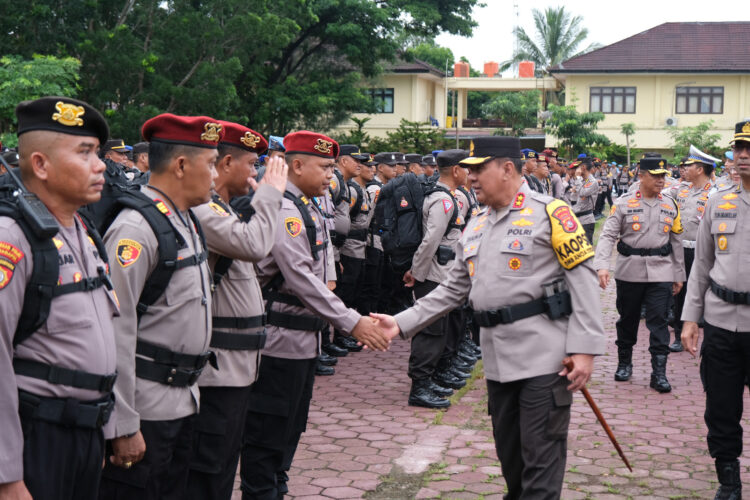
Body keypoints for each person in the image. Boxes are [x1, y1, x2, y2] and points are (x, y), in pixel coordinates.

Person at [373, 136, 605, 500]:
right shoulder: (478, 223)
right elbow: (451, 290)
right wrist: (400, 322)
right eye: (469, 169)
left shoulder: (552, 213)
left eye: (480, 168)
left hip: (546, 361)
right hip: (498, 363)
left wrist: (585, 349)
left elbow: (584, 282)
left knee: (540, 470)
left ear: (507, 168)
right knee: (513, 467)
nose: (472, 177)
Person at [241, 131, 390, 499]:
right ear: (296, 165)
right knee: (266, 438)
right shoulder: (283, 209)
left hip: (303, 342)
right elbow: (302, 280)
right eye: (324, 167)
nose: (330, 175)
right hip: (278, 343)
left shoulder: (307, 205)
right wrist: (353, 322)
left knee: (289, 431)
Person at [0, 96, 117, 500]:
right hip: (37, 438)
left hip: (83, 433)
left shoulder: (81, 230)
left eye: (98, 153)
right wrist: (7, 474)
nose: (101, 165)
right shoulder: (11, 238)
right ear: (40, 165)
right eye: (84, 153)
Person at [99, 114, 221, 499]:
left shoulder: (185, 220)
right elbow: (114, 327)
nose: (216, 176)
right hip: (145, 410)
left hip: (183, 400)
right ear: (182, 165)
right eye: (212, 164)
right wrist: (123, 422)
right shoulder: (136, 228)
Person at [186, 123, 286, 500]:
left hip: (237, 364)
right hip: (217, 368)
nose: (256, 173)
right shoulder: (204, 209)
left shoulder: (222, 207)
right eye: (250, 164)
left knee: (224, 462)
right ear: (226, 162)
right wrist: (272, 196)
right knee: (208, 468)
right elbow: (254, 244)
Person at [682, 120, 750, 500]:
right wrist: (691, 318)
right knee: (721, 408)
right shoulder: (718, 202)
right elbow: (702, 266)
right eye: (739, 148)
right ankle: (729, 482)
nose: (742, 155)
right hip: (722, 322)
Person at [594, 155, 685, 393]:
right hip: (629, 271)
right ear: (641, 175)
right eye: (655, 176)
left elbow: (676, 241)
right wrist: (602, 265)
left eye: (663, 176)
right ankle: (625, 362)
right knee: (628, 319)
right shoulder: (623, 203)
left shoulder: (670, 204)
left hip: (661, 271)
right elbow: (607, 236)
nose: (661, 181)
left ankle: (659, 373)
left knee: (659, 321)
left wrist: (679, 274)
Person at [402, 149, 470, 408]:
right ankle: (419, 387)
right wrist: (416, 274)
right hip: (433, 275)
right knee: (430, 331)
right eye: (465, 168)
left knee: (440, 330)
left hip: (443, 273)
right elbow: (430, 241)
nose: (468, 173)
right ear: (455, 170)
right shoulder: (443, 200)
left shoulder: (450, 197)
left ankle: (431, 378)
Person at [664, 149, 714, 353]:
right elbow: (662, 195)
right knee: (680, 292)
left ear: (700, 169)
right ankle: (678, 334)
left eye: (689, 166)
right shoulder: (681, 189)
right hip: (681, 249)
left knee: (709, 294)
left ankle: (710, 337)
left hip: (704, 252)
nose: (684, 169)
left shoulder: (715, 192)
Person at [570, 158, 599, 244]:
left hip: (586, 220)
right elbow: (573, 197)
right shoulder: (581, 181)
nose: (576, 170)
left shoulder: (593, 182)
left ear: (583, 167)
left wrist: (578, 178)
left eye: (578, 167)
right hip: (576, 219)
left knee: (586, 251)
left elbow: (583, 193)